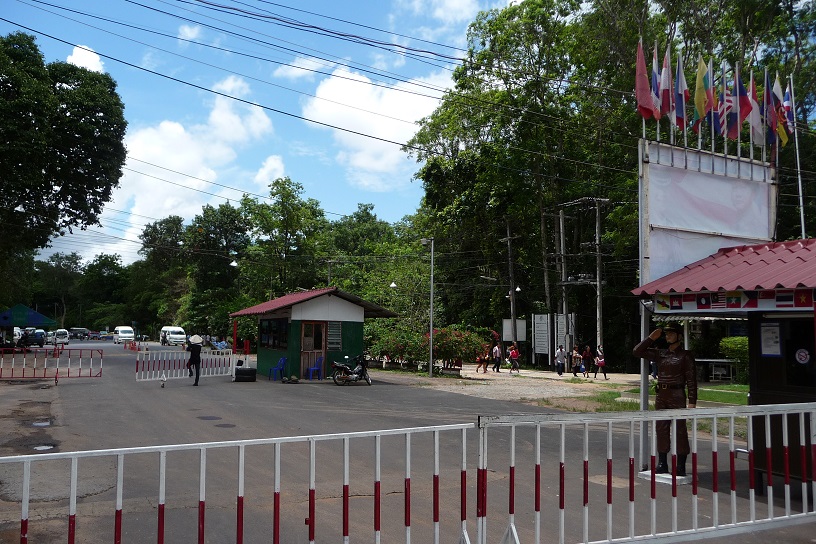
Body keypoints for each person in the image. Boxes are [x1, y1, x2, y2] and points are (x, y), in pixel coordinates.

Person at [633, 323, 697, 476]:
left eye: (671, 333)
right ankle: (662, 463)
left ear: (679, 336)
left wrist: (692, 401)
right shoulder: (661, 353)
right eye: (666, 334)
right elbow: (637, 351)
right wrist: (650, 338)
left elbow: (691, 379)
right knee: (661, 429)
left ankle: (681, 465)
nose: (667, 336)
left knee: (680, 430)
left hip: (677, 394)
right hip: (662, 395)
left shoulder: (685, 355)